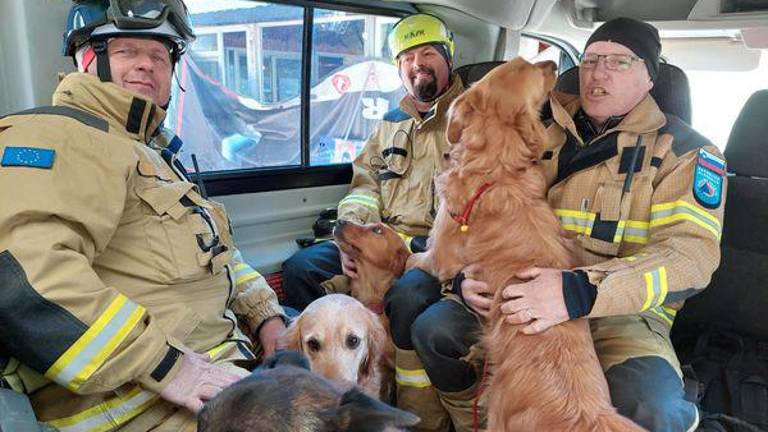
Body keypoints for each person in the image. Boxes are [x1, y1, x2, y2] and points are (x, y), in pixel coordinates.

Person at [389, 17, 727, 432]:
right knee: (435, 330)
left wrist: (579, 290)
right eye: (590, 59)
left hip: (621, 310)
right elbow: (476, 214)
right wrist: (461, 277)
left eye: (619, 62)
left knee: (650, 407)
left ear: (650, 76)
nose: (598, 72)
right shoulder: (534, 123)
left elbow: (690, 257)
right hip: (519, 292)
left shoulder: (688, 152)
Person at [0, 1, 286, 430]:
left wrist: (267, 315)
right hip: (138, 406)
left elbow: (218, 257)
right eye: (126, 52)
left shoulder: (151, 153)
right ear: (88, 58)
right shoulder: (56, 135)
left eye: (158, 56)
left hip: (222, 367)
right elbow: (23, 279)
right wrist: (171, 367)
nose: (146, 66)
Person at [282, 13, 463, 311]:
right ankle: (330, 354)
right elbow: (364, 187)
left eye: (429, 53)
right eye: (407, 57)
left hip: (432, 251)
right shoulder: (390, 125)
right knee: (301, 269)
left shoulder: (474, 121)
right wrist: (350, 239)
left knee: (409, 296)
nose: (418, 63)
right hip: (376, 240)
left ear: (448, 59)